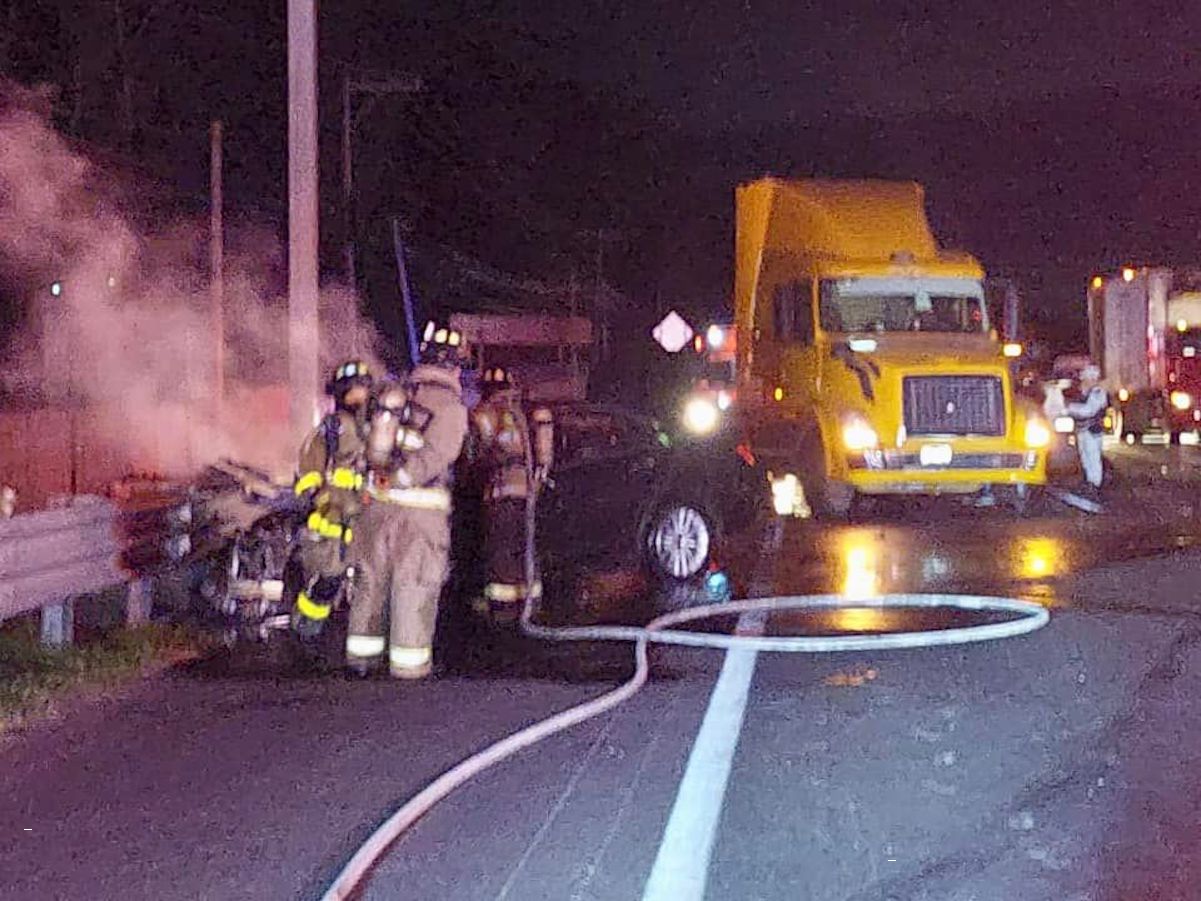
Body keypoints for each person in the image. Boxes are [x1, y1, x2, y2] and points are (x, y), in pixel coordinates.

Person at [345, 322, 469, 679]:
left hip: (375, 508)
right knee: (413, 587)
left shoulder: (393, 394)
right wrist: (404, 477)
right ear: (454, 367)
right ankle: (408, 670)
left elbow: (365, 445)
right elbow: (437, 456)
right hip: (420, 515)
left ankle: (361, 662)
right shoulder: (451, 408)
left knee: (370, 584)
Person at [287, 360, 374, 641]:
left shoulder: (377, 428)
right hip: (334, 516)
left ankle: (360, 637)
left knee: (370, 582)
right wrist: (318, 497)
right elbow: (309, 467)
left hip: (368, 515)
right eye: (352, 390)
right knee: (328, 577)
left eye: (363, 389)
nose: (359, 396)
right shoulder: (332, 428)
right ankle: (307, 629)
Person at [468, 367, 554, 622]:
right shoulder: (525, 411)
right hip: (529, 493)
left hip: (502, 490)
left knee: (502, 550)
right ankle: (531, 601)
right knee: (526, 546)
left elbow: (476, 452)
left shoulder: (487, 413)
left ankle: (502, 607)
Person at [1066, 363, 1108, 495]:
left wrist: (1068, 408)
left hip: (1092, 431)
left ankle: (1095, 485)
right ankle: (1089, 482)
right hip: (1083, 431)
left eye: (1085, 379)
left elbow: (1088, 411)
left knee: (1093, 458)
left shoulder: (1097, 393)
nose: (1082, 382)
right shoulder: (1085, 392)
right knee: (1085, 457)